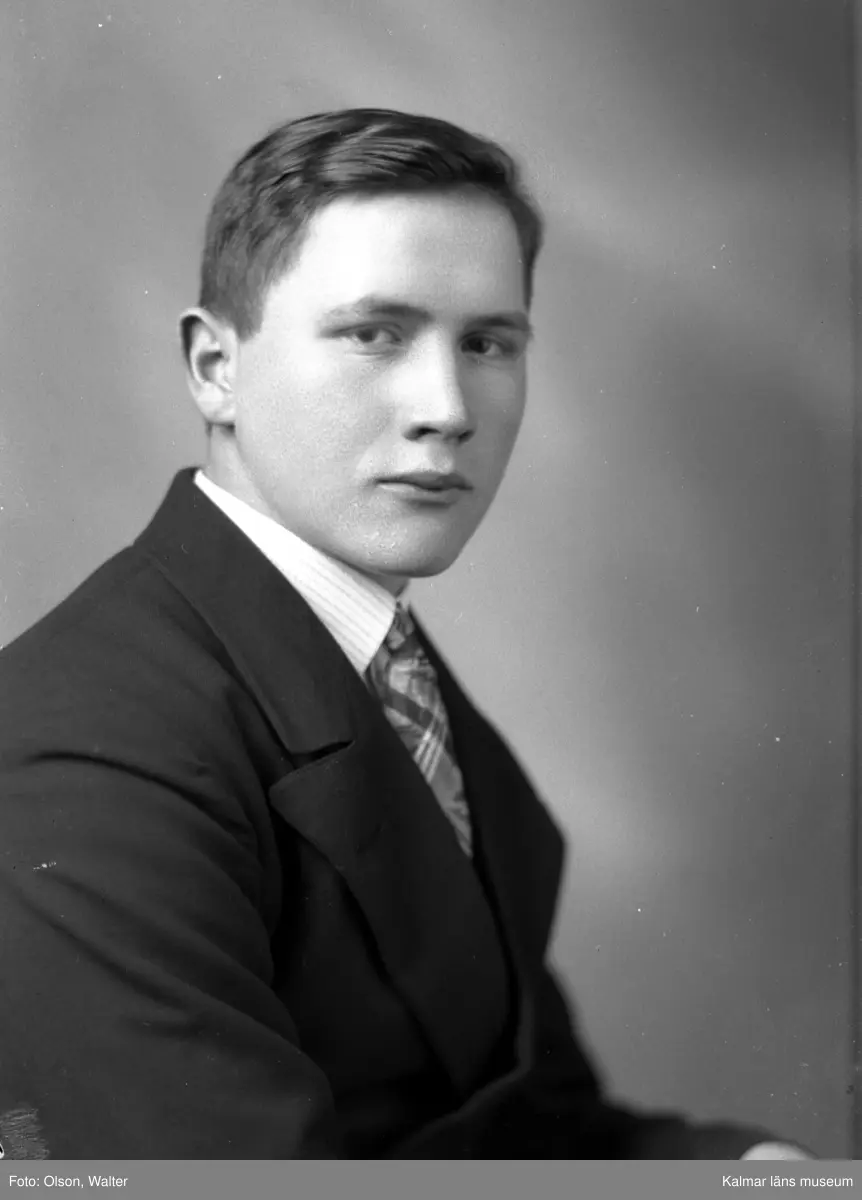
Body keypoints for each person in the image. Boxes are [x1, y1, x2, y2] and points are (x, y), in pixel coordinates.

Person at [0, 108, 809, 1160]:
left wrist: (742, 1173)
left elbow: (525, 1128)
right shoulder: (85, 744)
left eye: (487, 343)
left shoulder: (390, 674)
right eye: (374, 333)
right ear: (214, 367)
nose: (447, 407)